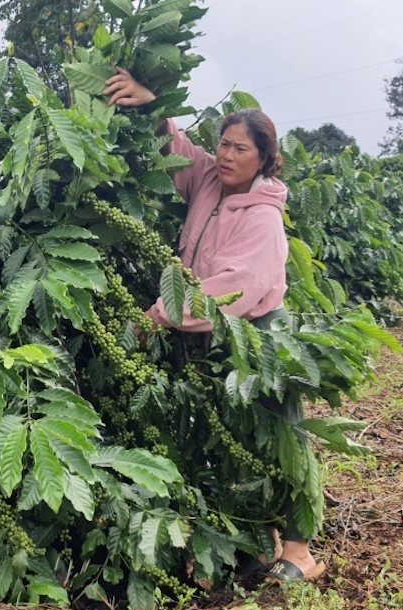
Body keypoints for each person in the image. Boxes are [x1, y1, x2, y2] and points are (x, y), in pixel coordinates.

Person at [103, 68, 326, 583]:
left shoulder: (263, 218)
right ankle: (255, 539)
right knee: (232, 441)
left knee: (282, 437)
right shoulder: (209, 179)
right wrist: (152, 106)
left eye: (241, 150)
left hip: (257, 336)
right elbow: (177, 150)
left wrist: (156, 317)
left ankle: (298, 551)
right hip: (207, 336)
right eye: (223, 144)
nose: (227, 156)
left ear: (266, 160)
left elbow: (228, 290)